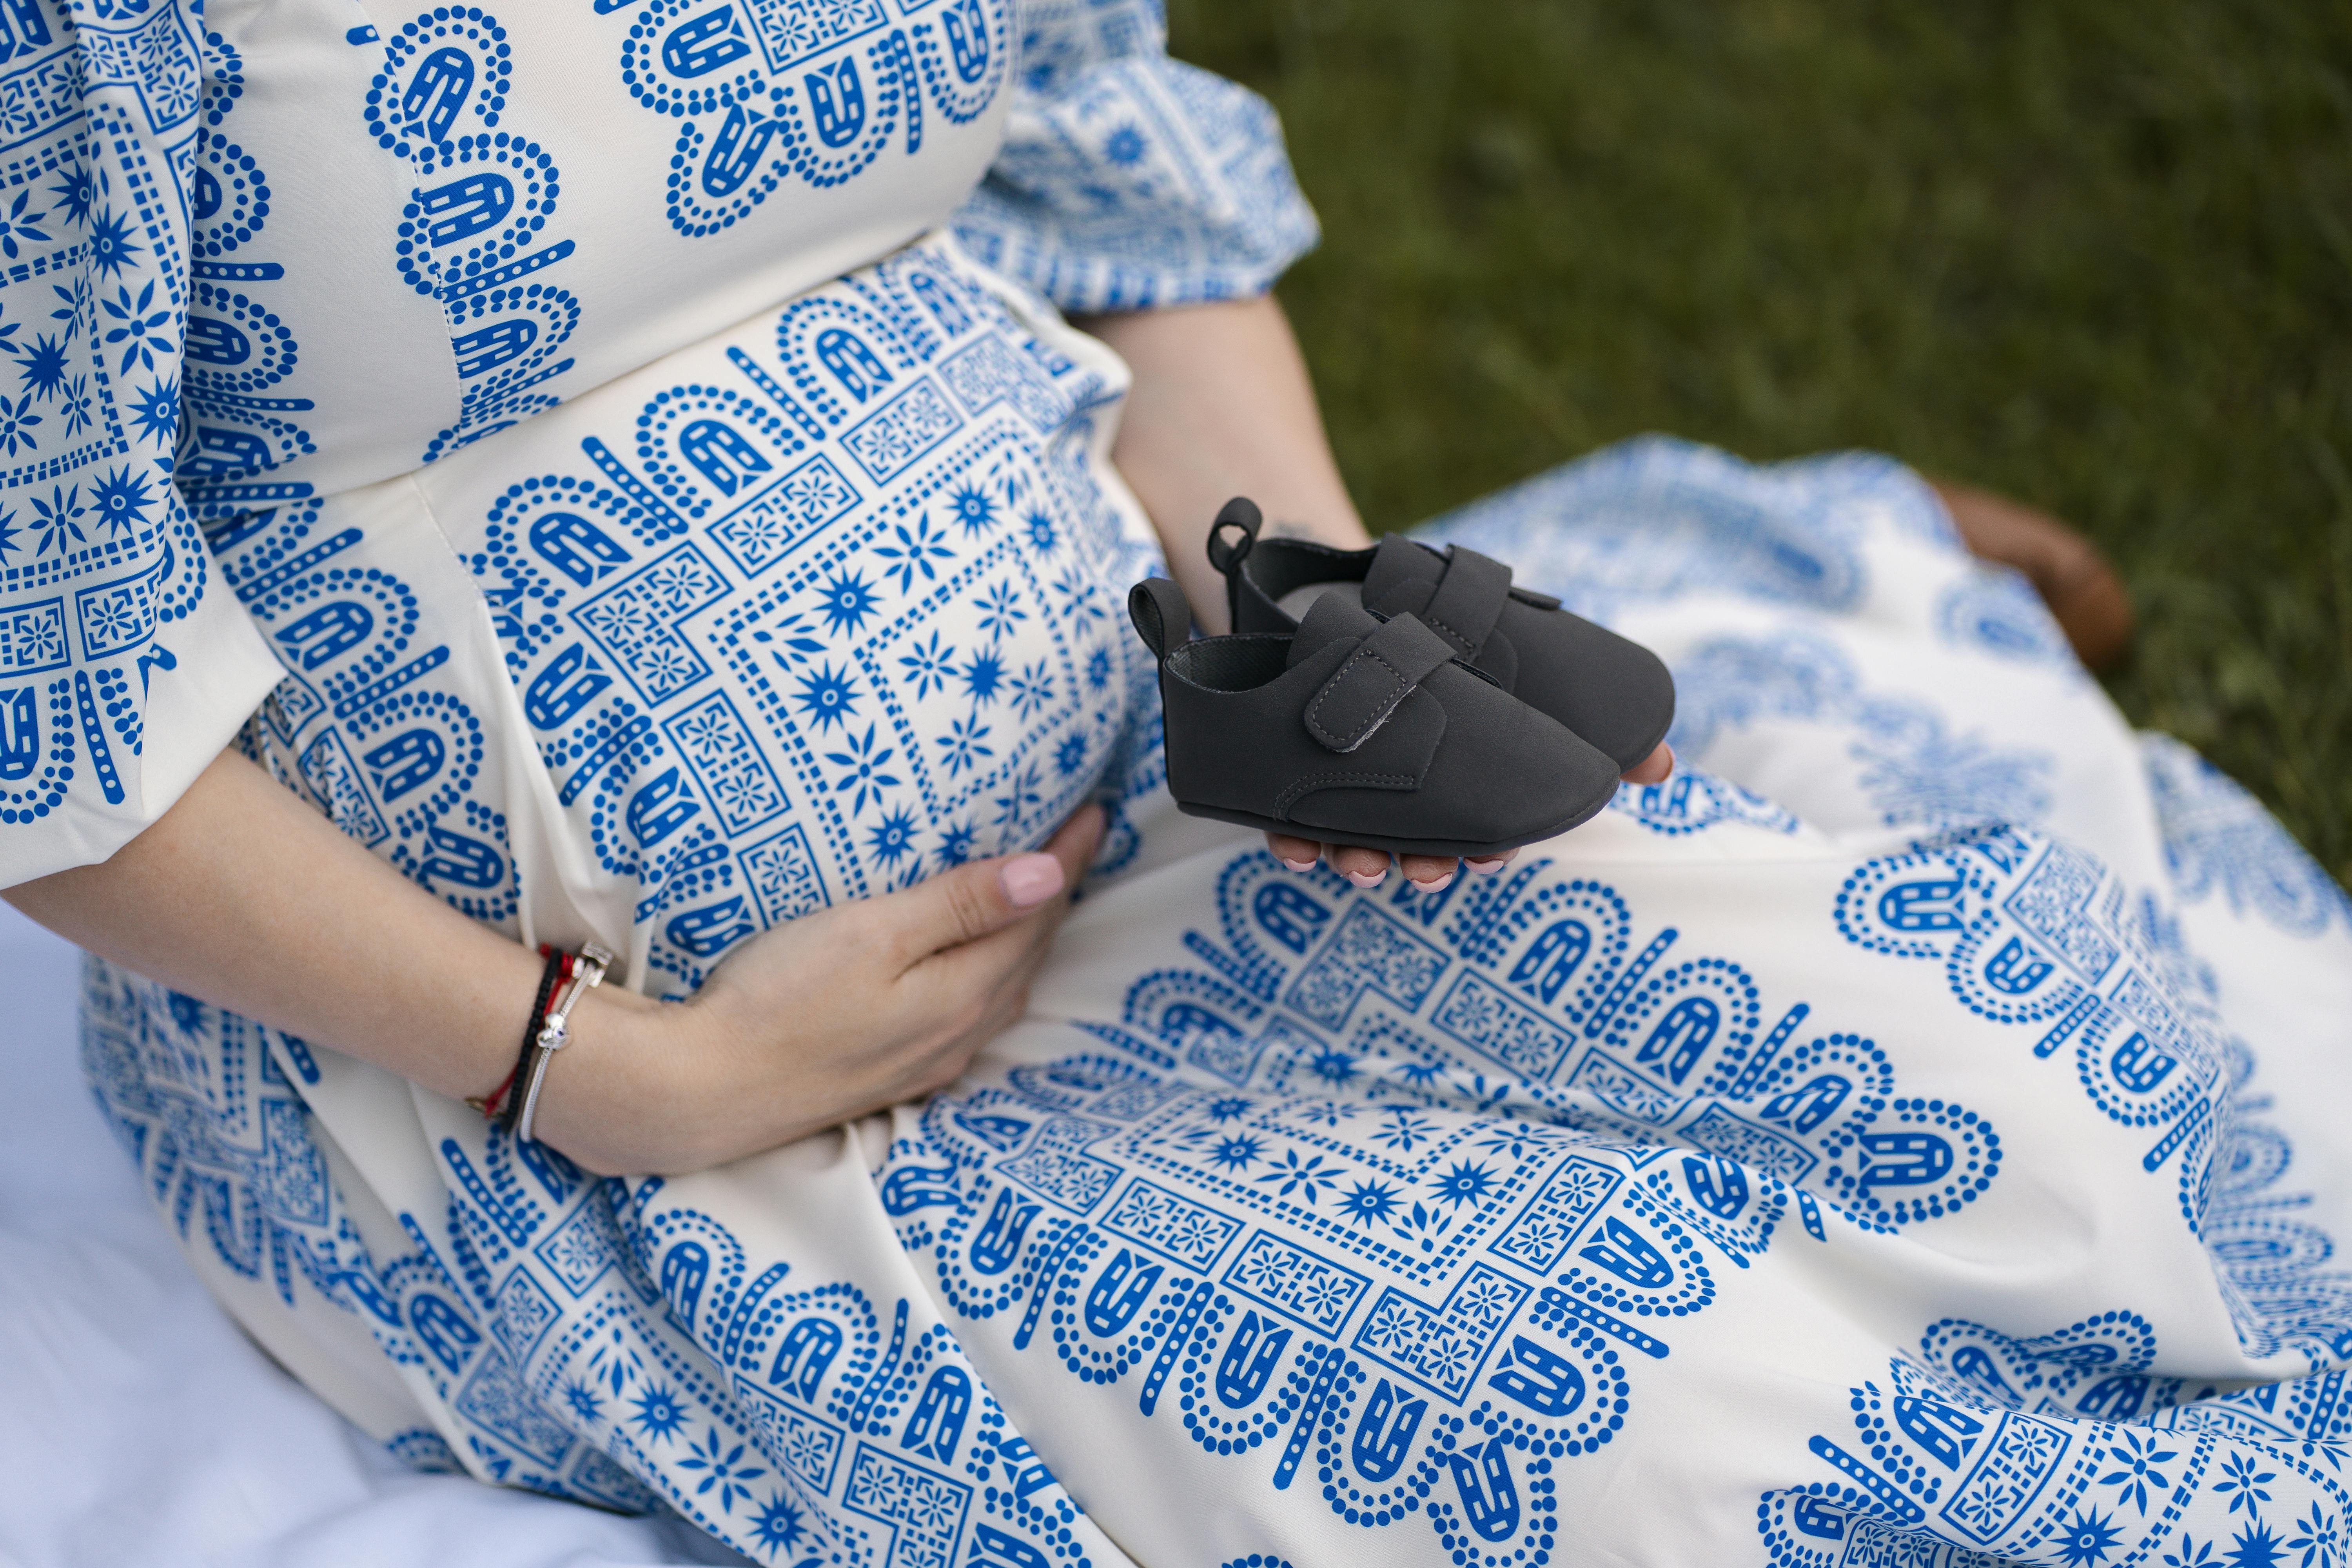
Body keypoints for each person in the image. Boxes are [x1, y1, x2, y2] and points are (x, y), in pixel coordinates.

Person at [3, 2, 2345, 1563]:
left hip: (1154, 771)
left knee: (2026, 1074)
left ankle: (1795, 574)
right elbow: (38, 668)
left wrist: (1314, 627)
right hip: (552, 1082)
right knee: (1638, 1429)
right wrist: (609, 1070)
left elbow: (1109, 186)